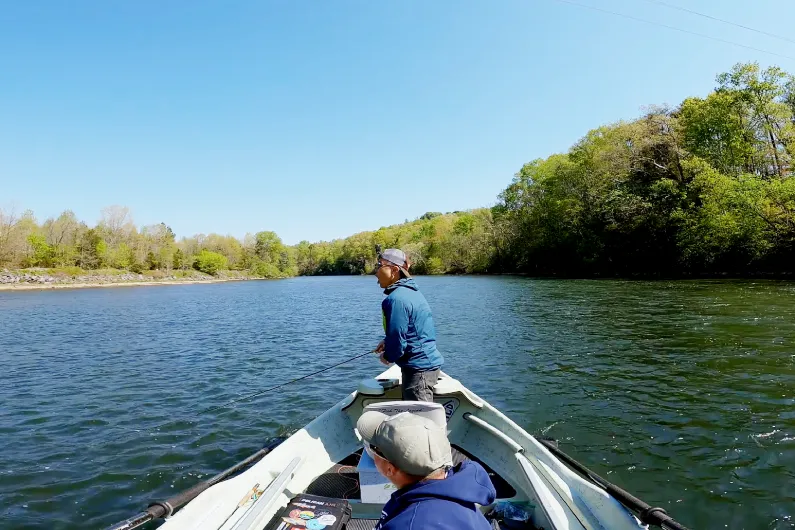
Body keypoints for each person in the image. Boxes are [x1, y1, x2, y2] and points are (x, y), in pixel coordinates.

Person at [356, 410, 496, 530]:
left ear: (390, 469)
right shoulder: (461, 493)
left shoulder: (409, 525)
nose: (371, 451)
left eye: (372, 447)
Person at [374, 248, 443, 401]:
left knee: (420, 420)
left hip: (418, 371)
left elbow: (398, 340)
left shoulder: (396, 299)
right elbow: (411, 330)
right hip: (424, 366)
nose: (376, 272)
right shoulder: (410, 292)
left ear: (394, 270)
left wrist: (388, 355)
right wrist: (388, 342)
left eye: (379, 266)